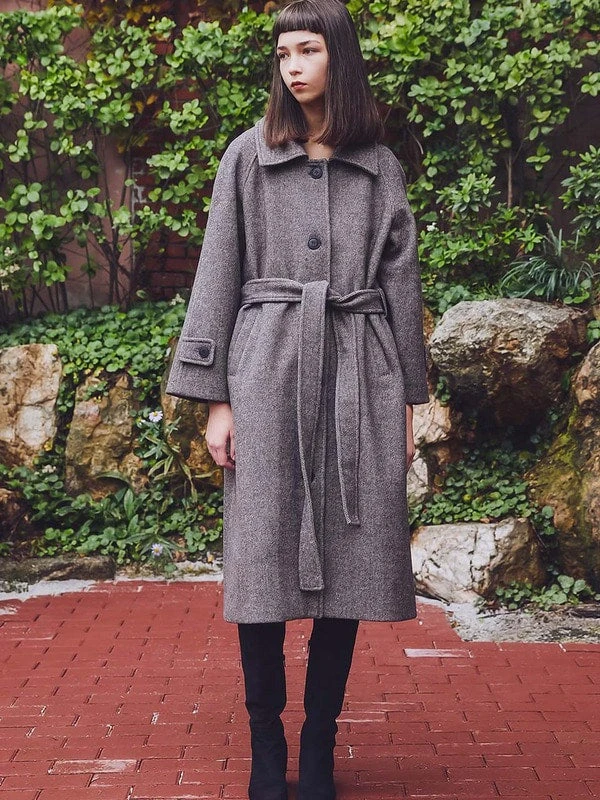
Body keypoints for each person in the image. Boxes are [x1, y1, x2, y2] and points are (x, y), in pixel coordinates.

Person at [166, 0, 430, 797]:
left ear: (337, 58)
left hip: (359, 369)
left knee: (347, 567)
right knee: (260, 570)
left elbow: (402, 284)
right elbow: (217, 271)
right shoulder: (248, 156)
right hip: (266, 370)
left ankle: (318, 747)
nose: (293, 66)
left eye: (308, 50)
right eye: (283, 53)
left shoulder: (378, 164)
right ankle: (266, 750)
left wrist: (408, 399)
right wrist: (216, 399)